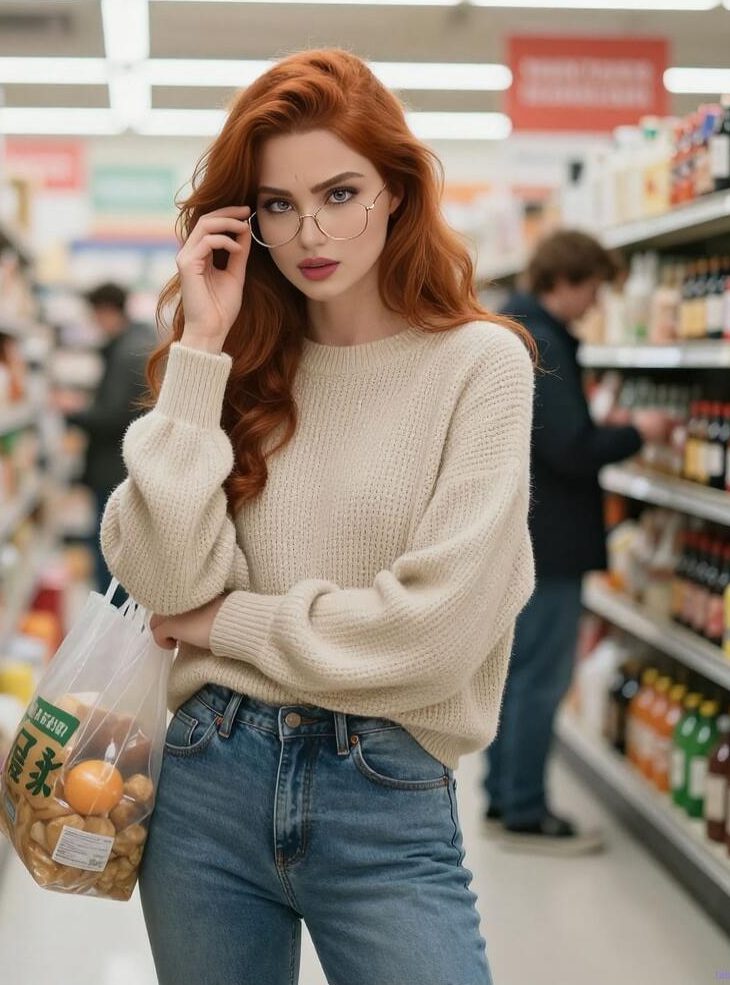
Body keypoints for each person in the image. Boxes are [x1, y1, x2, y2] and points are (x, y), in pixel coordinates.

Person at [101, 50, 536, 985]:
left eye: (340, 194)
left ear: (396, 192)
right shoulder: (239, 363)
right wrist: (202, 345)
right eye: (277, 205)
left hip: (384, 793)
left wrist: (225, 622)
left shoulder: (481, 366)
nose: (310, 234)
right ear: (245, 220)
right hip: (206, 780)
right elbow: (163, 580)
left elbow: (434, 635)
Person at [484, 229, 670, 854]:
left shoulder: (517, 327)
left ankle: (504, 797)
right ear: (565, 280)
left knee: (516, 675)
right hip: (551, 542)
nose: (595, 304)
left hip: (527, 533)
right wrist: (636, 432)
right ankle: (525, 811)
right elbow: (568, 448)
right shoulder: (541, 341)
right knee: (540, 678)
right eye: (593, 288)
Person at [64, 282, 156, 594]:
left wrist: (74, 412)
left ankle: (110, 615)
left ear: (106, 311)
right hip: (125, 467)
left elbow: (115, 416)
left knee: (109, 554)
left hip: (113, 470)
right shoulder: (136, 342)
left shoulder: (127, 352)